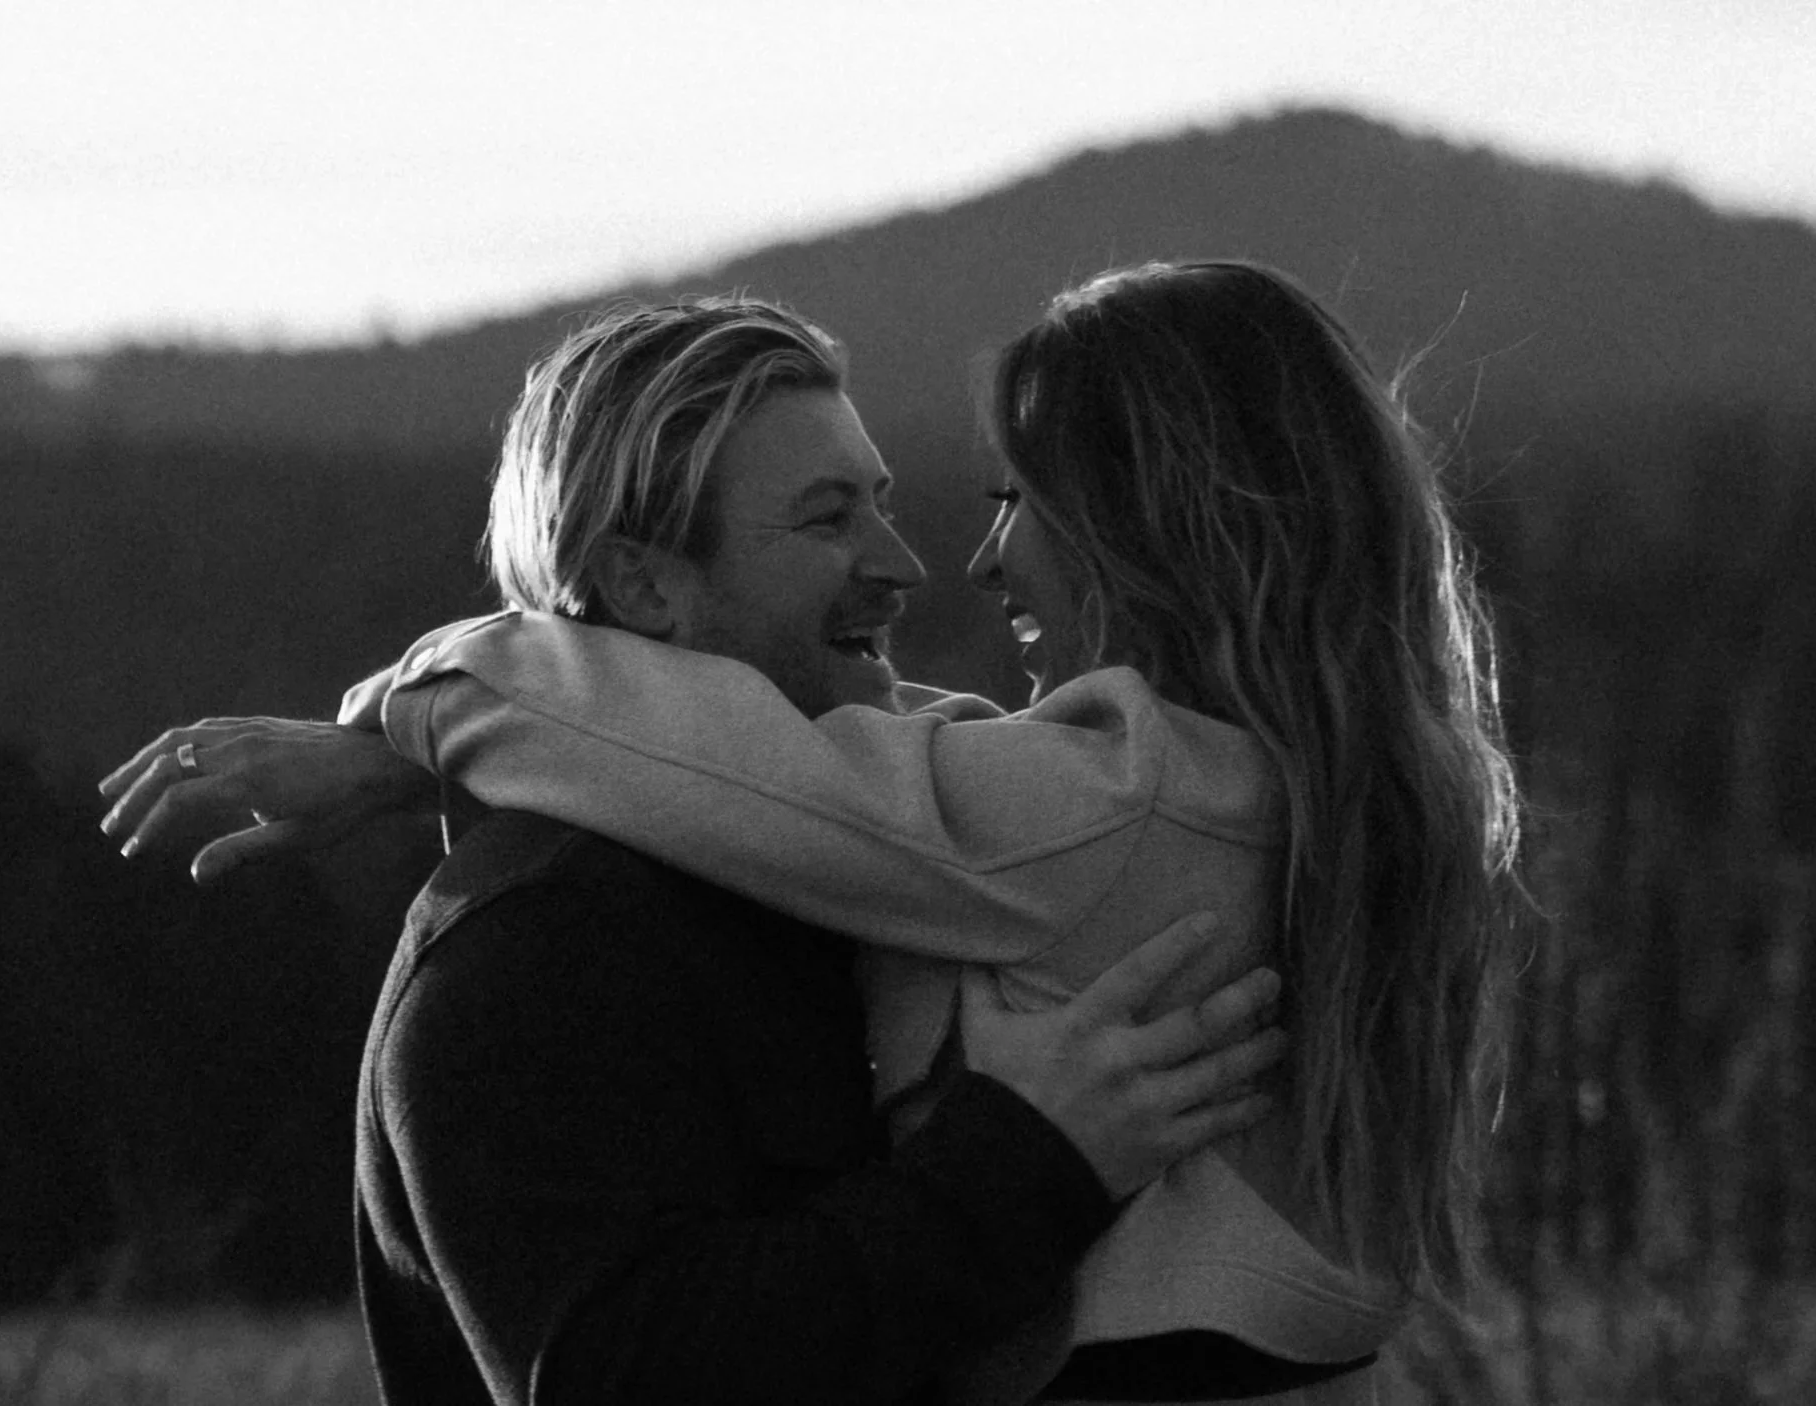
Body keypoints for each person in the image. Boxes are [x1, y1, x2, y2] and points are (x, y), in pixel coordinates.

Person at [101, 295, 1288, 1406]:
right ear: (641, 582)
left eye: (879, 502)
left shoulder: (824, 863)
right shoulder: (542, 943)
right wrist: (1028, 1160)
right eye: (829, 517)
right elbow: (620, 1373)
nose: (903, 562)